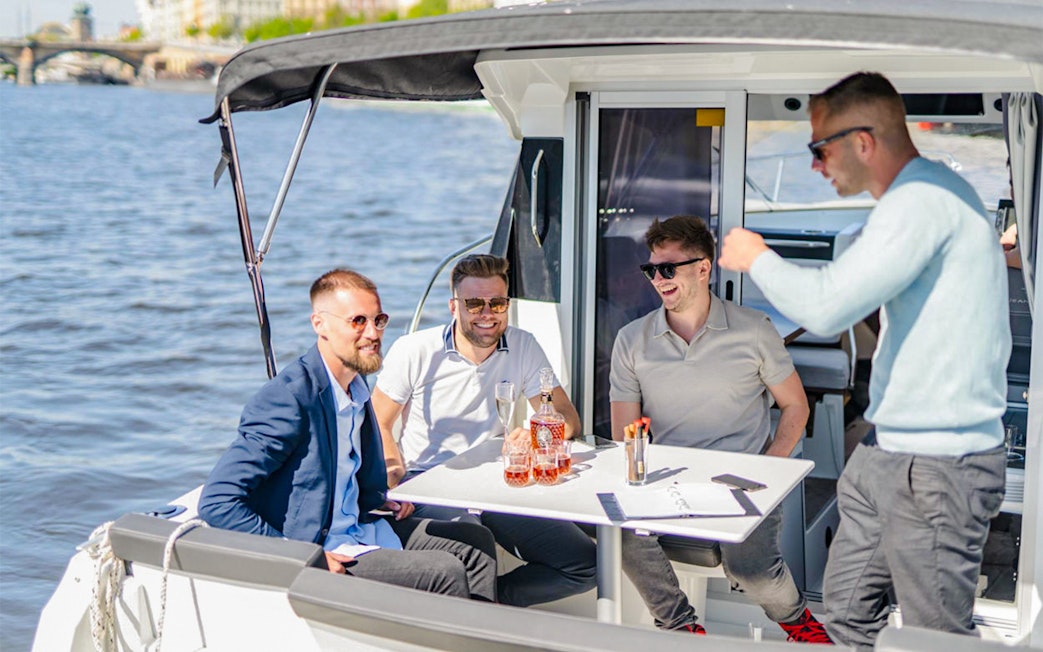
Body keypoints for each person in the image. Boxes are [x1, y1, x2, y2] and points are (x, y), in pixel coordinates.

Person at [719, 72, 1009, 650]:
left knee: (935, 639)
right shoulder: (921, 199)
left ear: (864, 142)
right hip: (887, 454)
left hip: (939, 464)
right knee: (846, 620)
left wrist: (758, 257)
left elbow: (827, 309)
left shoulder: (921, 201)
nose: (814, 166)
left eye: (819, 149)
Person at [198, 269, 497, 601]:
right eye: (358, 321)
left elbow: (338, 474)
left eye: (378, 320)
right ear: (320, 324)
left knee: (475, 542)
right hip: (323, 549)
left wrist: (379, 497)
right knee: (444, 572)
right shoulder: (289, 398)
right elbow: (218, 501)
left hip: (360, 526)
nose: (372, 332)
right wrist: (300, 557)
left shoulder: (356, 385)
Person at [610, 215, 829, 643]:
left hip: (744, 479)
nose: (658, 278)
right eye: (651, 269)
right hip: (666, 479)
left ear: (703, 268)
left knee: (751, 570)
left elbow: (795, 407)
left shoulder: (754, 331)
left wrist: (770, 469)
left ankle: (798, 621)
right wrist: (638, 481)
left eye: (668, 268)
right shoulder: (631, 340)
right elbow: (626, 433)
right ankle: (682, 628)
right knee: (616, 530)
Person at [371, 254, 597, 607]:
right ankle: (480, 615)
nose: (487, 313)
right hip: (429, 484)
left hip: (496, 483)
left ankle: (489, 606)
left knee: (586, 565)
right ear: (453, 306)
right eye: (474, 303)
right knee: (475, 546)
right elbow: (378, 423)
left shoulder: (524, 346)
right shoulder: (414, 350)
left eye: (497, 302)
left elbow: (566, 417)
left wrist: (537, 433)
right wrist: (395, 478)